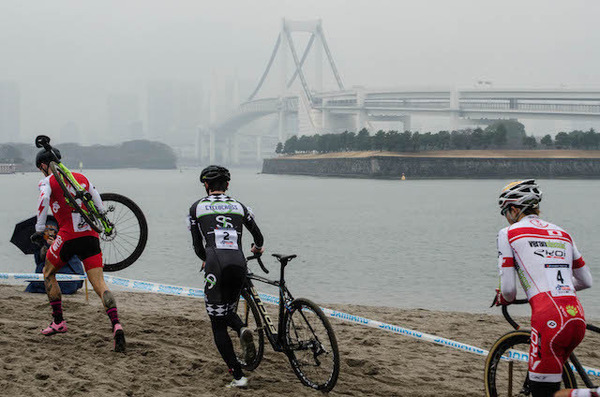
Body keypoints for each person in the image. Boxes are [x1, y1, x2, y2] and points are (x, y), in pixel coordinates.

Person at [495, 179, 593, 397]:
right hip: (575, 316)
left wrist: (505, 297)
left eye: (505, 212)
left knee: (545, 394)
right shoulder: (562, 233)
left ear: (513, 209)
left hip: (548, 319)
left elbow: (509, 290)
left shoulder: (508, 233)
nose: (506, 218)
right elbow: (586, 281)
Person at [31, 146, 126, 352]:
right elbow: (99, 204)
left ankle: (58, 322)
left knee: (48, 273)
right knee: (100, 284)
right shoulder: (81, 177)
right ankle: (116, 324)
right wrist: (103, 221)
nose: (41, 172)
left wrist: (39, 229)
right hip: (90, 236)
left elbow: (43, 201)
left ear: (45, 165)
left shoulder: (47, 181)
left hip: (67, 236)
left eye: (41, 168)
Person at [187, 165, 264, 388]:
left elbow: (197, 246)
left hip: (215, 265)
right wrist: (257, 249)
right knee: (229, 309)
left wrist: (206, 258)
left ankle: (239, 377)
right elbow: (258, 236)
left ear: (206, 186)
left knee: (217, 324)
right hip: (238, 263)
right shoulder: (240, 206)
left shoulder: (195, 208)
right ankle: (241, 328)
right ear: (227, 185)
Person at [27, 217, 84, 294]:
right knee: (33, 286)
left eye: (51, 230)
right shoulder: (41, 244)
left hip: (65, 272)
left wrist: (55, 247)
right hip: (49, 272)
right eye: (46, 230)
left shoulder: (65, 241)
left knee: (67, 287)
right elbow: (38, 264)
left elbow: (72, 261)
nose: (49, 233)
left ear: (56, 232)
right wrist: (41, 253)